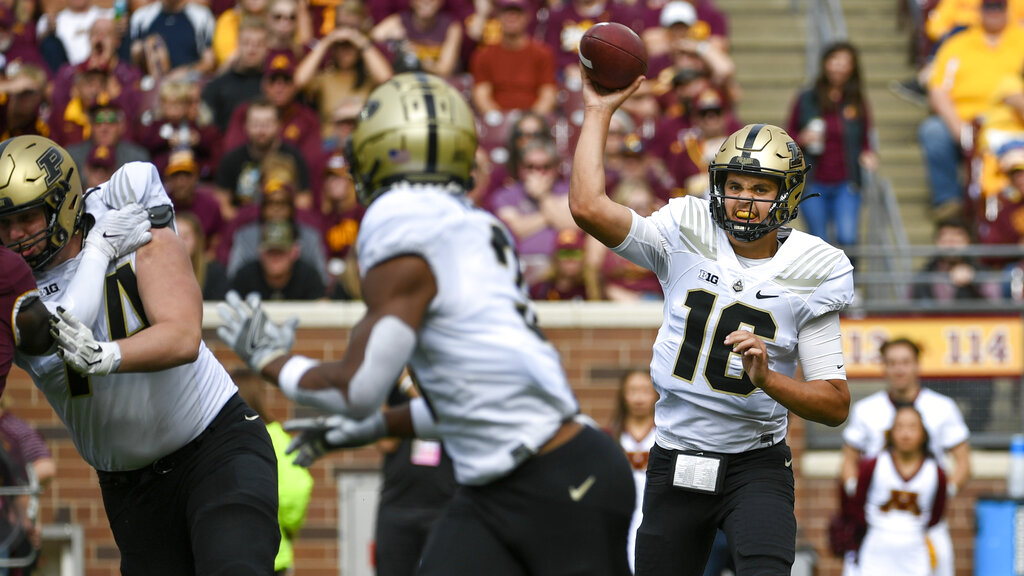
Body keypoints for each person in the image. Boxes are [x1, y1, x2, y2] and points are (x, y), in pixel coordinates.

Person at [217, 72, 636, 576]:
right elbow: (467, 394)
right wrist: (371, 429)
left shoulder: (401, 223)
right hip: (506, 484)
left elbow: (357, 389)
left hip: (560, 480)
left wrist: (270, 361)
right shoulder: (471, 222)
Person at [569, 71, 855, 575]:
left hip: (757, 463)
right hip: (677, 455)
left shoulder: (816, 267)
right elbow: (588, 207)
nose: (744, 200)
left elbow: (834, 404)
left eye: (760, 188)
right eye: (735, 185)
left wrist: (769, 380)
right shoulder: (685, 228)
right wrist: (598, 112)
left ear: (787, 194)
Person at [0, 134, 280, 575]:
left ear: (63, 203)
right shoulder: (12, 293)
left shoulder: (113, 211)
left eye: (28, 217)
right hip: (130, 490)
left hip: (214, 447)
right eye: (4, 224)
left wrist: (109, 355)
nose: (16, 237)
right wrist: (99, 249)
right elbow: (67, 316)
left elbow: (183, 336)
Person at [840, 337, 970, 576]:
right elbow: (848, 460)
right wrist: (855, 492)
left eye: (905, 362)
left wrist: (941, 493)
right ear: (884, 367)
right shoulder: (866, 410)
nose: (899, 369)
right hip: (875, 522)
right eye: (892, 363)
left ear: (917, 365)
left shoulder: (942, 407)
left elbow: (963, 462)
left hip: (925, 522)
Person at [786, 41, 878, 252]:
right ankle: (824, 285)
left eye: (845, 62)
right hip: (812, 181)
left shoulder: (856, 101)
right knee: (819, 242)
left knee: (848, 237)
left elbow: (864, 139)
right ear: (825, 63)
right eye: (834, 60)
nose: (838, 66)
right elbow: (787, 136)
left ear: (853, 68)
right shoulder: (807, 98)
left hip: (847, 181)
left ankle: (851, 282)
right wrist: (802, 138)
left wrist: (868, 155)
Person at [845, 405, 948, 576]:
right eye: (899, 427)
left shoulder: (936, 472)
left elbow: (937, 513)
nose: (905, 434)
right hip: (875, 549)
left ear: (923, 434)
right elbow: (856, 504)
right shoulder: (873, 465)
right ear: (890, 432)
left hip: (915, 551)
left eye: (912, 427)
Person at [232, 367, 313, 576]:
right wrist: (288, 527)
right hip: (270, 555)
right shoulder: (274, 437)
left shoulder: (215, 440)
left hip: (220, 554)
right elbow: (295, 490)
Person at [608, 368, 657, 574]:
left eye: (646, 390)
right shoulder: (610, 436)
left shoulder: (666, 434)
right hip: (620, 515)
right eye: (632, 391)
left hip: (656, 514)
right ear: (623, 395)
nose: (639, 398)